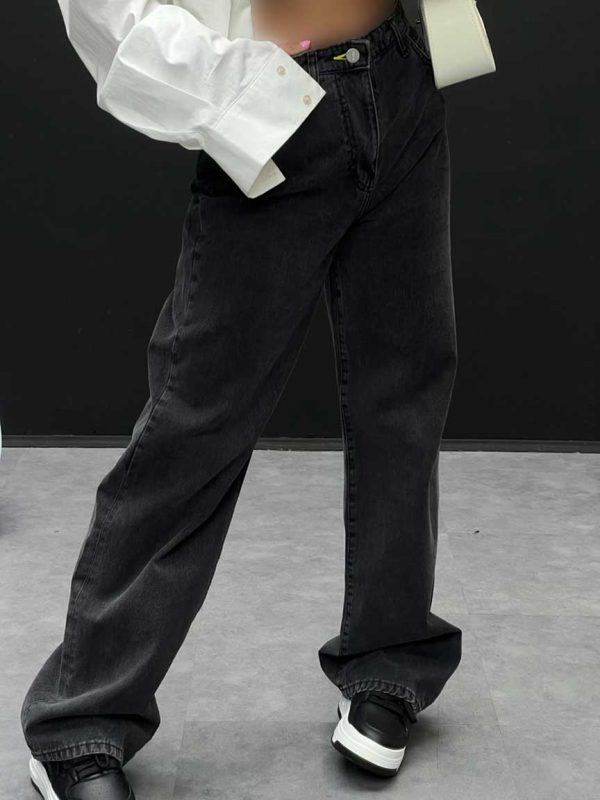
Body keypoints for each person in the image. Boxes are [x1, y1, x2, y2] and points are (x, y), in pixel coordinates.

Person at [21, 0, 463, 796]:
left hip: (400, 74)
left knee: (404, 392)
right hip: (276, 102)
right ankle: (82, 717)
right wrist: (240, 91)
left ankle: (391, 656)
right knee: (194, 422)